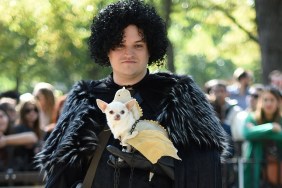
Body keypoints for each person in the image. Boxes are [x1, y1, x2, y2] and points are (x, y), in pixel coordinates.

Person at [35, 1, 228, 188]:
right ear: (106, 50)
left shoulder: (178, 93)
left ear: (149, 50)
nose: (129, 53)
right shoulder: (86, 96)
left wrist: (161, 164)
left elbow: (205, 167)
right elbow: (61, 170)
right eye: (120, 45)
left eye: (138, 45)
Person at [243, 86, 282, 188]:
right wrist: (271, 127)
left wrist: (257, 130)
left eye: (272, 100)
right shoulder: (252, 117)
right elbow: (247, 134)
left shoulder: (281, 120)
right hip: (255, 168)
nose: (268, 103)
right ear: (261, 101)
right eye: (265, 100)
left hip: (277, 170)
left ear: (278, 102)